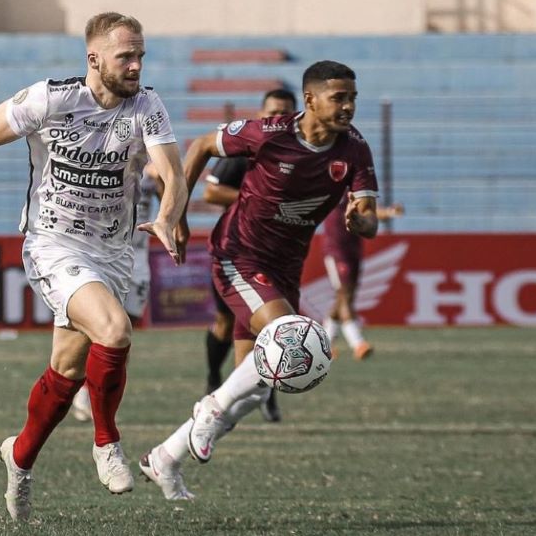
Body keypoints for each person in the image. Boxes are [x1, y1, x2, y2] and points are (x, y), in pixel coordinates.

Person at [0, 12, 187, 521]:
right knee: (115, 330)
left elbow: (171, 170)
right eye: (126, 56)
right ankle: (107, 442)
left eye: (141, 55)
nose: (137, 65)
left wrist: (167, 215)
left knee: (67, 371)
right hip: (53, 245)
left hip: (113, 252)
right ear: (94, 59)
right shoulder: (52, 99)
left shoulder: (147, 106)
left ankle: (19, 457)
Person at [139, 60, 379, 500]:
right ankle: (210, 407)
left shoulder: (355, 150)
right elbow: (199, 149)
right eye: (338, 97)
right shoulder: (269, 133)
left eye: (353, 98)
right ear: (310, 100)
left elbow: (369, 221)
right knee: (288, 341)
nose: (348, 107)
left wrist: (360, 221)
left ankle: (165, 458)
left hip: (286, 267)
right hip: (239, 253)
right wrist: (174, 213)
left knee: (259, 384)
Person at [202, 89, 297, 423]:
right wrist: (257, 201)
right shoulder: (244, 148)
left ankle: (266, 397)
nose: (278, 119)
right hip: (237, 251)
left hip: (280, 254)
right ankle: (214, 378)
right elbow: (211, 190)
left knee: (270, 330)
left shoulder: (300, 155)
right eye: (272, 112)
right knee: (226, 322)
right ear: (261, 113)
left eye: (286, 113)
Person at [70, 163, 161, 422]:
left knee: (125, 334)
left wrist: (161, 176)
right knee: (103, 329)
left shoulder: (154, 165)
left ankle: (105, 398)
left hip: (139, 258)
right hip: (107, 255)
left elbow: (170, 197)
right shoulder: (108, 158)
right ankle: (86, 392)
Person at [321, 200, 403, 360]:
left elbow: (369, 211)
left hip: (353, 251)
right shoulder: (332, 187)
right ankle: (358, 344)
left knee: (343, 298)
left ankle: (325, 344)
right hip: (336, 250)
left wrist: (389, 212)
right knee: (344, 296)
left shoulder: (355, 188)